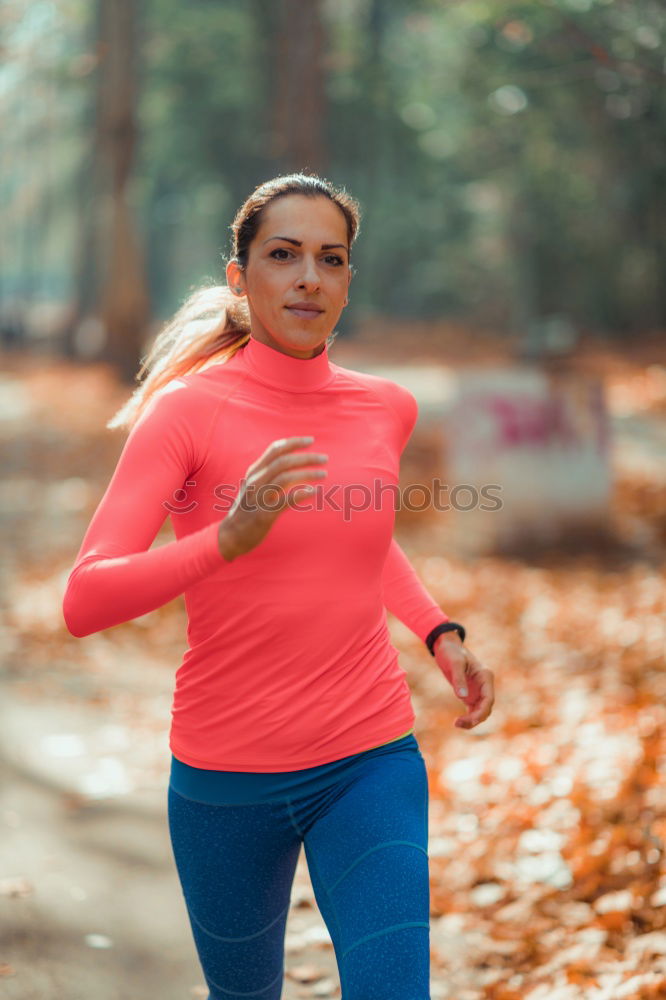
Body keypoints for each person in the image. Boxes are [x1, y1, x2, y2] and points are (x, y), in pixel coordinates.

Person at [62, 172, 495, 1000]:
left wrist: (440, 632)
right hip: (226, 777)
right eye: (284, 255)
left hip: (369, 757)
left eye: (330, 259)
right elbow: (85, 600)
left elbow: (355, 537)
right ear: (240, 277)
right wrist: (226, 541)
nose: (308, 277)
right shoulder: (186, 413)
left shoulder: (384, 407)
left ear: (348, 281)